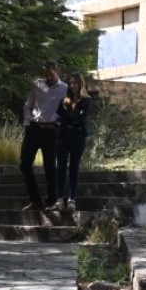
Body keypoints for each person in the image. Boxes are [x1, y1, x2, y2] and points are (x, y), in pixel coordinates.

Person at [19, 61, 66, 212]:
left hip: (51, 131)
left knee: (50, 166)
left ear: (57, 71)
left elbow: (67, 110)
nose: (48, 78)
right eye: (46, 74)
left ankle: (52, 200)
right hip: (34, 129)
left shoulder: (64, 89)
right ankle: (35, 200)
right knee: (25, 164)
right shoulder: (38, 85)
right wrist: (27, 123)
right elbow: (28, 105)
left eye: (51, 74)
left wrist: (58, 124)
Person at [55, 71, 94, 212]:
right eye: (70, 83)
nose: (72, 85)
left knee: (74, 167)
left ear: (80, 83)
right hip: (63, 135)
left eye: (75, 82)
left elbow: (82, 119)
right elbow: (59, 117)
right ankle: (59, 198)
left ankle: (72, 199)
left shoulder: (87, 100)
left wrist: (69, 116)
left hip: (78, 136)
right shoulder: (64, 100)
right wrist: (74, 116)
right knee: (60, 167)